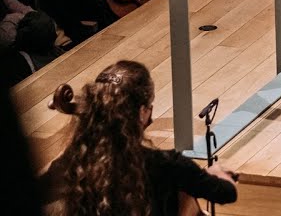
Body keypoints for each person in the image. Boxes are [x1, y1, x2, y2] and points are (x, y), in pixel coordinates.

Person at [41, 60, 238, 216]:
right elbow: (226, 193)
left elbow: (31, 194)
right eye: (149, 106)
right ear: (142, 112)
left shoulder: (74, 162)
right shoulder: (168, 164)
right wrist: (217, 173)